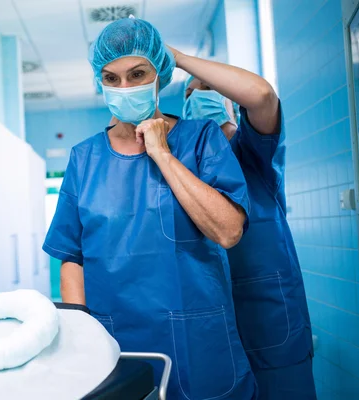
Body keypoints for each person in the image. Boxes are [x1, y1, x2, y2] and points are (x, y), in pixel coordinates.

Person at [42, 17, 257, 399]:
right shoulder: (84, 158)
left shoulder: (200, 140)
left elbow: (228, 231)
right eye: (111, 78)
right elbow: (70, 256)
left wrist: (162, 154)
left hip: (198, 343)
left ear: (160, 75)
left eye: (137, 73)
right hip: (115, 343)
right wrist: (79, 342)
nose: (124, 87)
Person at [179, 53, 316, 399]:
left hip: (272, 328)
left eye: (210, 87)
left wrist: (179, 60)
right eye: (193, 93)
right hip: (213, 332)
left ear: (228, 99)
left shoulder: (254, 152)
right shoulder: (184, 168)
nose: (201, 94)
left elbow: (263, 96)